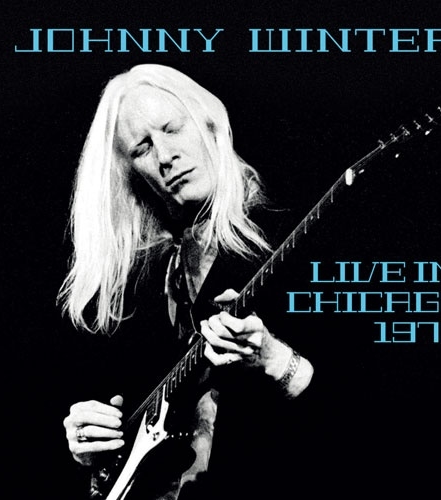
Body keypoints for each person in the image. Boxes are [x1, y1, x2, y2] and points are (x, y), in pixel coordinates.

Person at [61, 64, 314, 500]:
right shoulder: (137, 288)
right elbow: (117, 425)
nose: (164, 156)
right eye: (142, 148)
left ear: (209, 122)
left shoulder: (295, 228)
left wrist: (274, 359)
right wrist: (91, 448)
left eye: (172, 129)